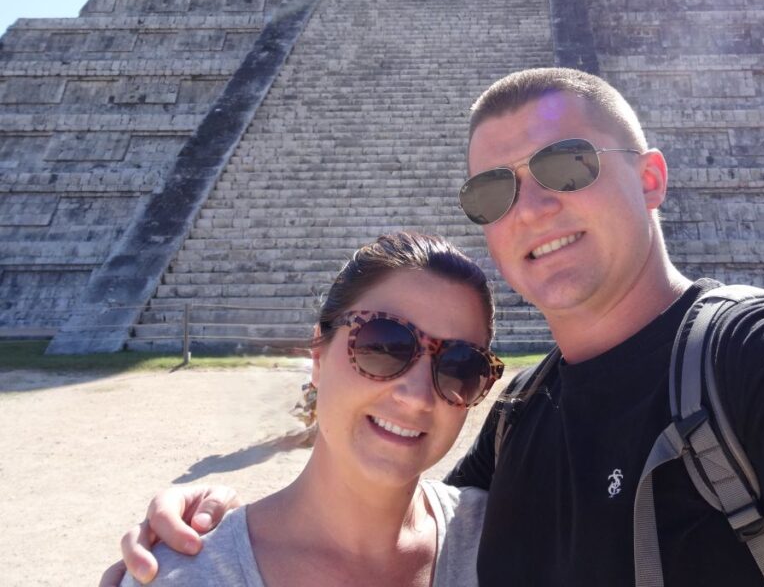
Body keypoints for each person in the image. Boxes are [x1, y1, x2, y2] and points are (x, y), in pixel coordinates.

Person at [110, 69, 764, 586]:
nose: (533, 204)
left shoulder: (758, 359)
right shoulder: (513, 433)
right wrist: (218, 527)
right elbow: (375, 470)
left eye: (567, 162)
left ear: (654, 177)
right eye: (494, 189)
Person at [116, 231, 501, 586]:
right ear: (318, 355)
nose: (416, 396)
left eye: (462, 367)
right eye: (384, 345)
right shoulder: (185, 574)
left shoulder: (506, 542)